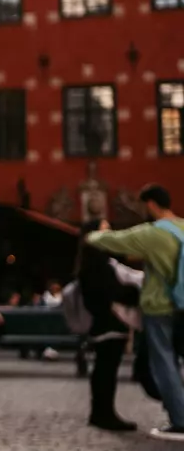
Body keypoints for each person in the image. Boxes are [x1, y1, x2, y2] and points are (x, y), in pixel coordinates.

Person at [86, 184, 184, 441]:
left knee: (164, 363)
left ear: (151, 204)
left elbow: (113, 241)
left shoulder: (154, 233)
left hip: (160, 306)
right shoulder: (183, 227)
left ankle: (180, 420)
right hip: (182, 306)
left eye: (143, 206)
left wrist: (94, 234)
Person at [78, 219, 141, 432]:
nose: (110, 233)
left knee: (104, 369)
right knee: (107, 369)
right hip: (108, 321)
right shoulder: (98, 263)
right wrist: (135, 293)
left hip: (104, 321)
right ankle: (104, 413)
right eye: (105, 230)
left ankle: (101, 412)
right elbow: (113, 292)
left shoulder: (94, 261)